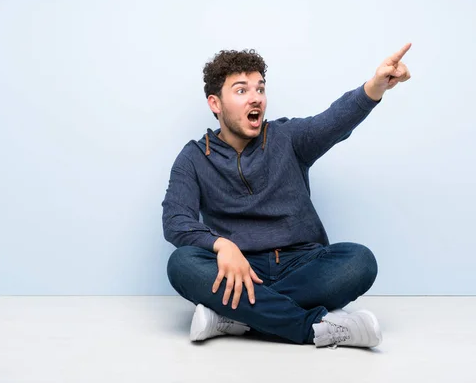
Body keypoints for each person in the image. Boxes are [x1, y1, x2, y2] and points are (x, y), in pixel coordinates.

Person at [162, 43, 412, 349]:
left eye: (260, 89)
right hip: (238, 269)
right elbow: (175, 221)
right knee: (182, 263)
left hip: (303, 264)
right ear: (215, 103)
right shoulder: (194, 157)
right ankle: (314, 328)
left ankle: (237, 317)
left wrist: (375, 87)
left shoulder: (288, 138)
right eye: (241, 91)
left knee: (359, 261)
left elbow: (334, 121)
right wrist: (222, 245)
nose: (255, 98)